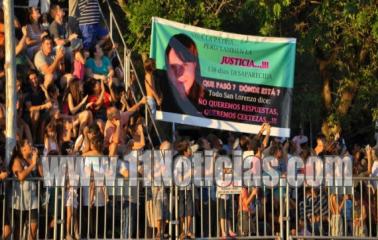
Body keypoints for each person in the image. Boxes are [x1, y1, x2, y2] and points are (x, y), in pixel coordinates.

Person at [164, 33, 205, 115]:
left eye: (184, 65)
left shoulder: (209, 103)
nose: (178, 73)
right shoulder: (163, 102)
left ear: (195, 64)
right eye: (173, 67)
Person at [10, 140, 43, 240]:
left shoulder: (32, 159)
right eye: (28, 143)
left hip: (33, 200)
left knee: (34, 228)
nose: (31, 144)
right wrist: (32, 164)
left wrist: (38, 160)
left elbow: (42, 175)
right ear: (22, 148)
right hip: (20, 202)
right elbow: (20, 176)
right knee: (18, 231)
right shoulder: (17, 160)